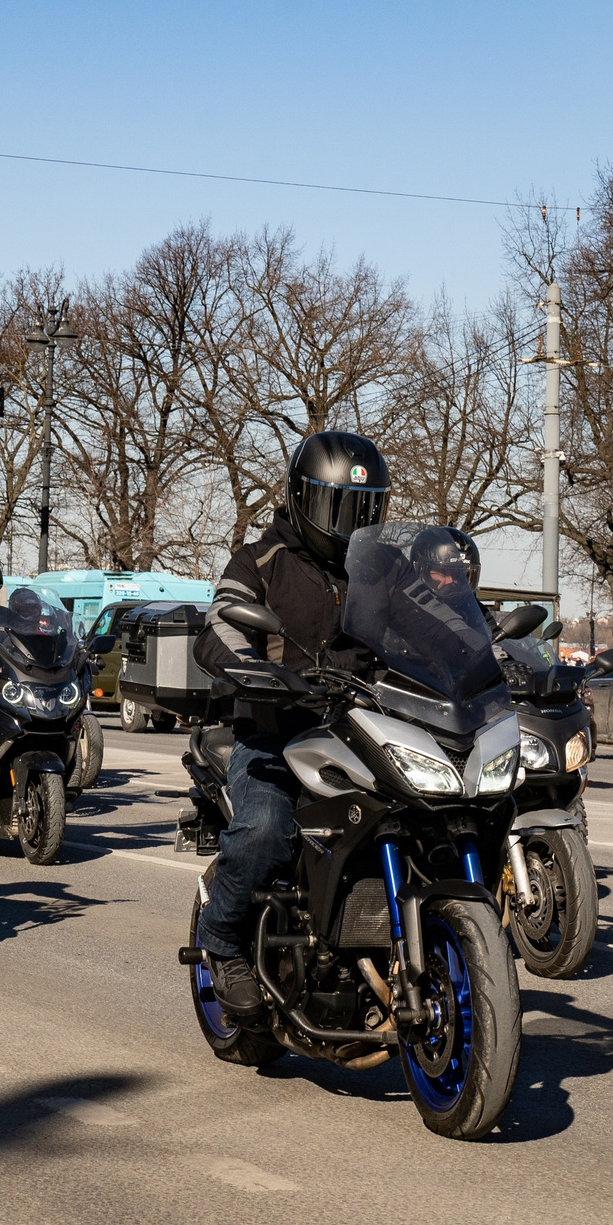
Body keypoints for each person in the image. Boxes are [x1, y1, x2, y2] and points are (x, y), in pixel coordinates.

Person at [191, 430, 391, 1023]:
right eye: (338, 508)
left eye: (364, 510)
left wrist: (484, 652)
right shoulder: (261, 560)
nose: (351, 524)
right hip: (277, 732)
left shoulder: (383, 573)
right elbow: (220, 626)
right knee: (266, 829)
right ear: (301, 499)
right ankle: (223, 943)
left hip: (367, 735)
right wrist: (255, 671)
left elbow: (434, 627)